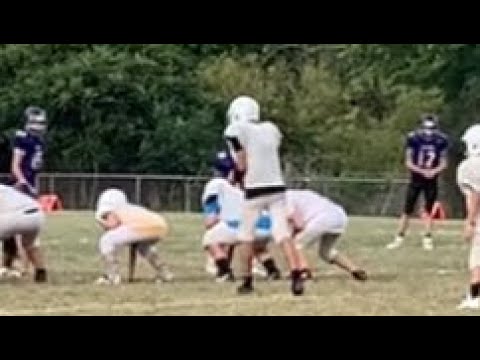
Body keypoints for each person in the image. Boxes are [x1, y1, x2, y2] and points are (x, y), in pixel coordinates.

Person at [224, 96, 305, 296]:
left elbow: (241, 161)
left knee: (245, 236)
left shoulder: (237, 130)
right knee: (282, 233)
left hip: (255, 189)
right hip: (277, 186)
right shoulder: (271, 129)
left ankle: (246, 280)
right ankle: (296, 273)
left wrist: (236, 177)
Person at [202, 151, 281, 282]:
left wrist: (211, 220)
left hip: (240, 225)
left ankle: (224, 272)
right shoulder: (245, 184)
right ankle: (272, 271)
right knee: (258, 247)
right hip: (266, 225)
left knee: (210, 240)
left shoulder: (216, 184)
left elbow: (211, 213)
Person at [387, 114, 449, 251]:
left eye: (432, 128)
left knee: (428, 209)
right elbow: (408, 162)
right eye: (427, 127)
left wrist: (433, 171)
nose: (429, 131)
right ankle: (399, 237)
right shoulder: (413, 138)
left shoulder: (441, 140)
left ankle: (427, 237)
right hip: (416, 179)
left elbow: (444, 162)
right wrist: (422, 171)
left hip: (432, 179)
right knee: (407, 209)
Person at [3, 106, 48, 280]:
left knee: (25, 232)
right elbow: (16, 165)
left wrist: (32, 186)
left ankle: (21, 267)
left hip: (28, 187)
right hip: (21, 186)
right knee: (17, 231)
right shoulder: (23, 139)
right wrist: (22, 181)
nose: (40, 126)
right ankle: (13, 265)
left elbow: (33, 168)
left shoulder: (38, 142)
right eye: (37, 122)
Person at [95, 188, 173, 285]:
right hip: (160, 226)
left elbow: (112, 225)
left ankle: (112, 276)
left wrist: (100, 221)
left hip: (140, 227)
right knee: (143, 247)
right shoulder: (131, 208)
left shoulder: (114, 210)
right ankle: (164, 273)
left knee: (106, 240)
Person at [286, 189, 367, 282]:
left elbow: (298, 223)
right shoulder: (300, 193)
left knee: (296, 243)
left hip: (323, 218)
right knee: (325, 252)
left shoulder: (284, 199)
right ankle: (354, 269)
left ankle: (304, 272)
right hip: (340, 216)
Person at [0, 184, 46, 282]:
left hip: (16, 215)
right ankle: (40, 273)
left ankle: (7, 262)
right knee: (30, 245)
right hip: (37, 214)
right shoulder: (7, 189)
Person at [456, 124, 480, 310]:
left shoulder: (469, 166)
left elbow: (474, 195)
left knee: (477, 258)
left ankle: (475, 296)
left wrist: (470, 221)